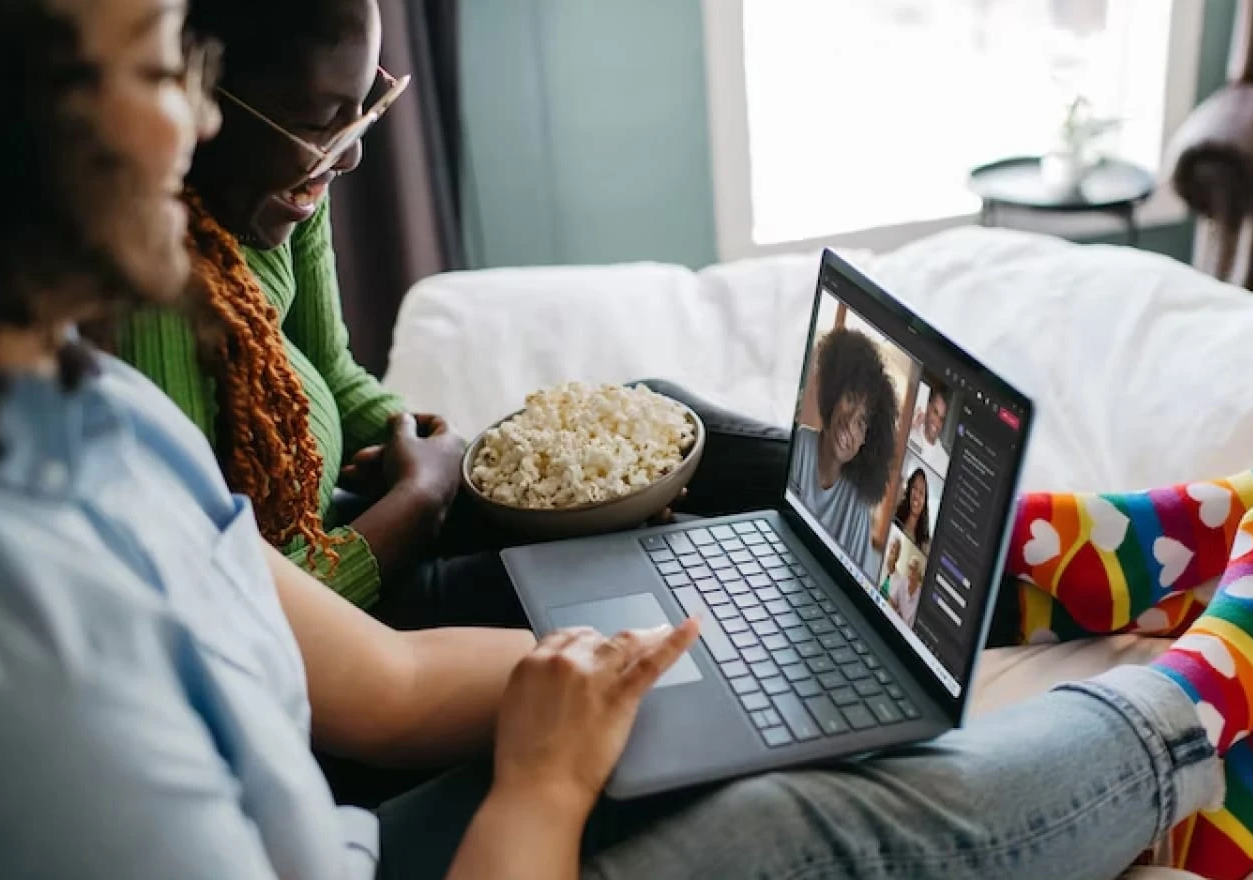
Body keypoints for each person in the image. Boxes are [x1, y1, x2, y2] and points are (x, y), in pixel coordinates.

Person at [0, 6, 1253, 877]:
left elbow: (374, 674)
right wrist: (551, 781)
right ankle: (1199, 721)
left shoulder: (94, 417)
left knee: (671, 521)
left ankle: (1022, 565)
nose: (177, 110)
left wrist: (675, 668)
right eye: (147, 62)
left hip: (366, 761)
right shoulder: (37, 653)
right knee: (789, 829)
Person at [104, 0, 788, 630]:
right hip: (342, 612)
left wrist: (452, 459)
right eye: (321, 124)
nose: (351, 152)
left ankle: (868, 522)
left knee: (655, 414)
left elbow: (336, 374)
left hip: (366, 518)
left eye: (364, 108)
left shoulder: (287, 178)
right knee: (638, 566)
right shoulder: (153, 297)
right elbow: (234, 619)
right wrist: (424, 499)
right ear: (196, 102)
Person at [787, 327, 898, 576]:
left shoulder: (857, 505)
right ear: (834, 395)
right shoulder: (797, 446)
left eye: (861, 422)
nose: (849, 422)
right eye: (849, 399)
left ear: (866, 442)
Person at [908, 379, 951, 475]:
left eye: (941, 419)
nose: (937, 422)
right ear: (928, 407)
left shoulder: (945, 462)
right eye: (935, 412)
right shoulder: (910, 431)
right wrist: (909, 427)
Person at [895, 466, 932, 551]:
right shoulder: (895, 518)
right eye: (914, 488)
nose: (917, 495)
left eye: (921, 492)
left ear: (925, 501)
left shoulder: (926, 543)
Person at [890, 555, 926, 627]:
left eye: (914, 569)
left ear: (919, 574)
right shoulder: (901, 581)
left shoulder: (921, 594)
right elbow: (891, 601)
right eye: (910, 568)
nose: (911, 572)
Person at [879, 536, 902, 600]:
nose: (892, 549)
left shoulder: (899, 580)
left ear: (898, 555)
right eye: (891, 545)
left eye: (895, 547)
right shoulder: (879, 561)